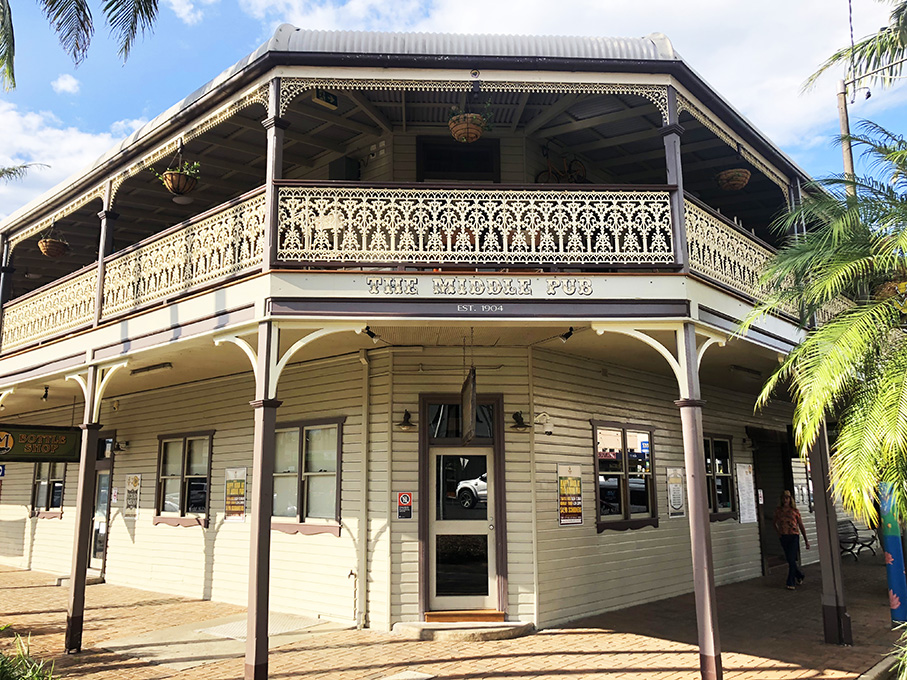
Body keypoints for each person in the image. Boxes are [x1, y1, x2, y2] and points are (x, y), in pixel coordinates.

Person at [773, 490, 811, 590]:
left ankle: (790, 582)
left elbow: (801, 525)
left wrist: (806, 540)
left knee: (791, 558)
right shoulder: (779, 511)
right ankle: (799, 575)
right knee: (790, 560)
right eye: (784, 498)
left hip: (793, 536)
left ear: (790, 499)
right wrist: (778, 532)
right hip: (784, 536)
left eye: (787, 498)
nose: (785, 500)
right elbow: (774, 522)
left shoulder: (795, 511)